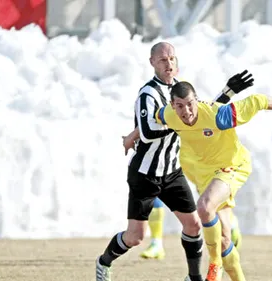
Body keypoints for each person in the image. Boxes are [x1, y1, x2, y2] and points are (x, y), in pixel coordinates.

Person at [95, 42, 245, 281]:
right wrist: (182, 122)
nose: (169, 64)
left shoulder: (181, 89)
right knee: (135, 236)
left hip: (172, 172)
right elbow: (146, 132)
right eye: (163, 60)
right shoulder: (147, 94)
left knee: (194, 225)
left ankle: (193, 277)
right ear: (153, 63)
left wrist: (228, 92)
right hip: (145, 173)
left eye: (172, 59)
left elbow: (203, 113)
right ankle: (104, 262)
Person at [154, 80, 272, 281]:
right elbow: (151, 119)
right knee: (224, 239)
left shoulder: (219, 115)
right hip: (206, 177)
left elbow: (258, 100)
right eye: (180, 106)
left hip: (232, 166)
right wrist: (133, 136)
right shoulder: (168, 115)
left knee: (205, 207)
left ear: (197, 100)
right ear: (173, 106)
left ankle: (214, 264)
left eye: (190, 104)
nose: (186, 111)